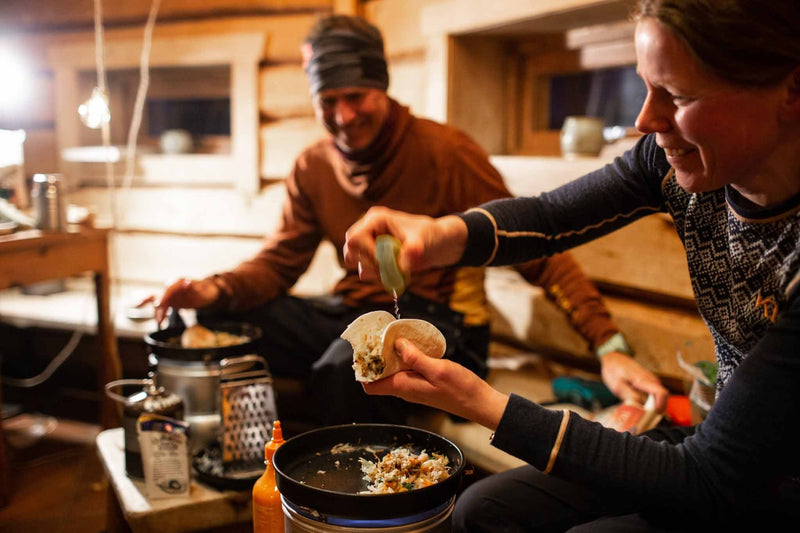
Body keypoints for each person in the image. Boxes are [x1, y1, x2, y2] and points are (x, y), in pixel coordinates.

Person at [343, 0, 800, 529]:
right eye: (646, 87)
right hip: (719, 445)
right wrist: (438, 235)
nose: (645, 120)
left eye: (678, 95)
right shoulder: (674, 159)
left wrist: (482, 403)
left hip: (768, 482)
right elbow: (550, 217)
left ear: (789, 91)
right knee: (483, 511)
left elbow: (709, 477)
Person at [151, 14, 666, 427]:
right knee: (226, 326)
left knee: (343, 372)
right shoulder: (313, 166)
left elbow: (538, 248)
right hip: (352, 315)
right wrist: (212, 290)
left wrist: (609, 346)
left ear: (383, 86)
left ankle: (360, 500)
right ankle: (263, 463)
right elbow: (279, 263)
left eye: (356, 96)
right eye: (328, 101)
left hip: (443, 324)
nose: (344, 115)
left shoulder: (446, 152)